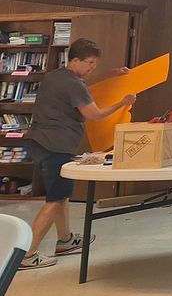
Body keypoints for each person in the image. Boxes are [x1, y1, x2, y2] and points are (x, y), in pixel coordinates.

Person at [20, 39, 134, 270]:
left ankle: (65, 240)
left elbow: (82, 82)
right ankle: (27, 255)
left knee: (61, 195)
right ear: (75, 60)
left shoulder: (56, 76)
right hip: (56, 147)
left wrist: (111, 74)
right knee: (55, 200)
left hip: (39, 142)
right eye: (90, 63)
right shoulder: (74, 85)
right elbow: (95, 115)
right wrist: (123, 102)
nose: (93, 67)